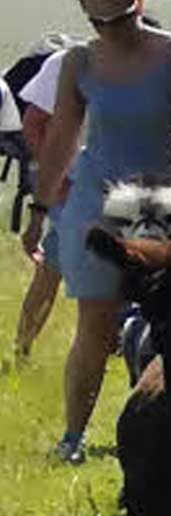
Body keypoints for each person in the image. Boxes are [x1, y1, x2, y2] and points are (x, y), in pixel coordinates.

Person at [24, 0, 171, 465]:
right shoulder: (79, 61)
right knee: (94, 324)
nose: (111, 31)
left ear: (139, 7)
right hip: (94, 203)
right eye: (98, 23)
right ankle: (73, 437)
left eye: (119, 20)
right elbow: (63, 135)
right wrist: (41, 208)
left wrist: (170, 196)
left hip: (160, 204)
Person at [14, 44, 72, 360]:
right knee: (52, 268)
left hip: (127, 191)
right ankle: (21, 348)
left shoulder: (156, 61)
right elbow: (33, 124)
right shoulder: (66, 63)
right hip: (72, 186)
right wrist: (56, 175)